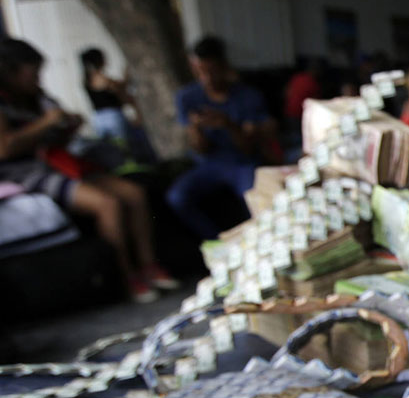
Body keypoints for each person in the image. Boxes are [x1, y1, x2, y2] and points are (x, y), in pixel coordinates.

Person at [0, 39, 172, 302]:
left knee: (135, 194)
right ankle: (125, 279)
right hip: (24, 173)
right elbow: (5, 148)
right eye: (32, 74)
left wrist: (65, 127)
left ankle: (149, 267)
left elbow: (54, 141)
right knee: (108, 204)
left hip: (58, 163)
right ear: (10, 72)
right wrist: (46, 122)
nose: (37, 79)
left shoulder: (38, 98)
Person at [169, 35, 275, 240]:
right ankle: (218, 242)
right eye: (200, 71)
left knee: (256, 197)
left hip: (241, 162)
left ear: (224, 66)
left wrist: (229, 125)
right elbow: (200, 149)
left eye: (212, 71)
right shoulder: (187, 98)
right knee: (177, 197)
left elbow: (249, 149)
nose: (206, 78)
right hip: (208, 164)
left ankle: (264, 242)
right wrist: (196, 128)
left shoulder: (247, 96)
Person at [79, 47, 157, 164]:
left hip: (99, 118)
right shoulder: (99, 77)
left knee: (114, 148)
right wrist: (125, 77)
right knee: (125, 147)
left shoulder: (87, 79)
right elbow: (120, 88)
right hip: (112, 117)